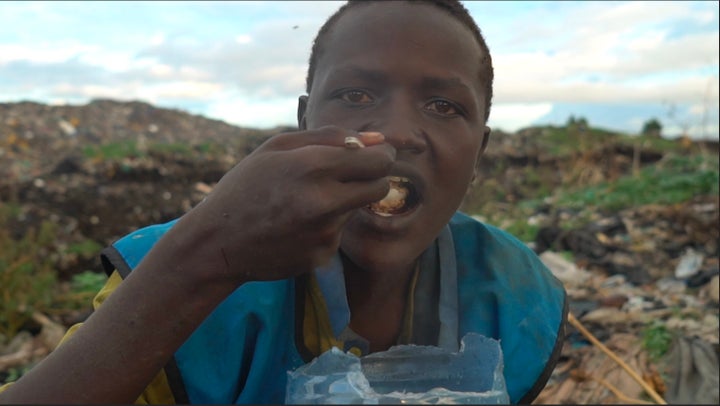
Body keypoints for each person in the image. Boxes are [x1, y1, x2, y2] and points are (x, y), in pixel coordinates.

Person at [0, 0, 567, 404]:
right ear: (303, 123)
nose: (396, 132)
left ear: (479, 153)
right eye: (355, 95)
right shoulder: (173, 274)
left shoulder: (515, 300)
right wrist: (202, 260)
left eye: (443, 106)